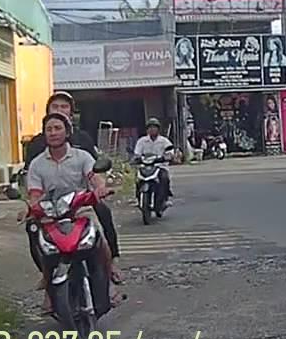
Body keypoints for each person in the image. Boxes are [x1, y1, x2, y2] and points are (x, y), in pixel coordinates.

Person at [23, 92, 122, 285]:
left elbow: (93, 173)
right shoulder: (37, 151)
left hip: (81, 203)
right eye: (55, 107)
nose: (53, 133)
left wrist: (100, 188)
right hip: (50, 208)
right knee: (33, 229)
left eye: (64, 107)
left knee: (101, 218)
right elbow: (32, 186)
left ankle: (110, 266)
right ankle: (46, 277)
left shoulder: (82, 145)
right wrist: (30, 207)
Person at [133, 118, 174, 209]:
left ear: (158, 129)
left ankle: (165, 198)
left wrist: (167, 157)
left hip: (160, 166)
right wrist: (136, 159)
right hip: (145, 166)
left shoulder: (164, 141)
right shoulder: (142, 141)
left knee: (164, 178)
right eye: (150, 127)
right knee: (138, 179)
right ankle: (138, 197)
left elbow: (170, 152)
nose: (152, 129)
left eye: (154, 127)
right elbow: (137, 153)